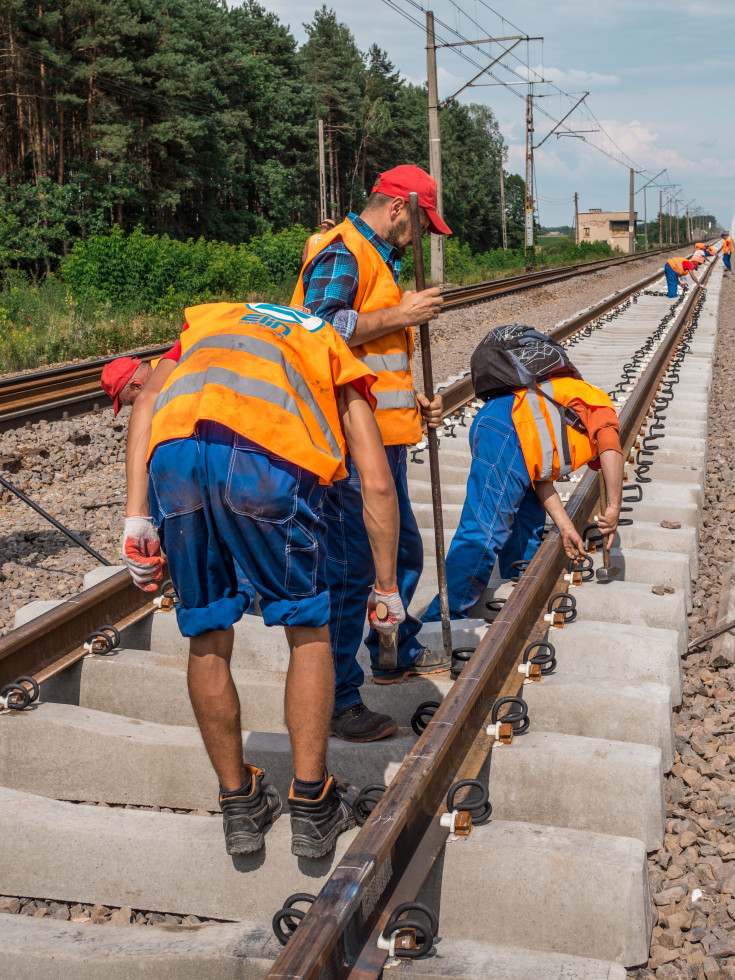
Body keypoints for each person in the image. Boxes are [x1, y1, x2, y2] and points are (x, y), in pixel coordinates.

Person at [122, 301, 404, 860]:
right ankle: (312, 801)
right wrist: (387, 586)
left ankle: (240, 803)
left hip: (174, 460)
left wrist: (136, 515)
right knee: (308, 627)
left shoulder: (214, 320)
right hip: (263, 463)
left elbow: (149, 400)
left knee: (205, 633)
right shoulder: (328, 343)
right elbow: (376, 482)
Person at [291, 164, 450, 742]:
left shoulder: (380, 258)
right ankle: (337, 700)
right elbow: (318, 327)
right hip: (347, 444)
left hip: (385, 437)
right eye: (422, 223)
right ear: (399, 206)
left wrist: (417, 404)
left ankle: (391, 650)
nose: (423, 236)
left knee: (403, 552)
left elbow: (376, 363)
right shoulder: (345, 252)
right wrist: (399, 314)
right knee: (350, 569)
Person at [422, 344, 623, 622]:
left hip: (508, 429)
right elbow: (612, 449)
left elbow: (541, 479)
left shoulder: (557, 417)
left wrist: (566, 528)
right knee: (485, 529)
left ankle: (517, 582)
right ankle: (440, 618)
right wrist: (614, 507)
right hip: (509, 429)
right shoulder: (600, 405)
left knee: (527, 522)